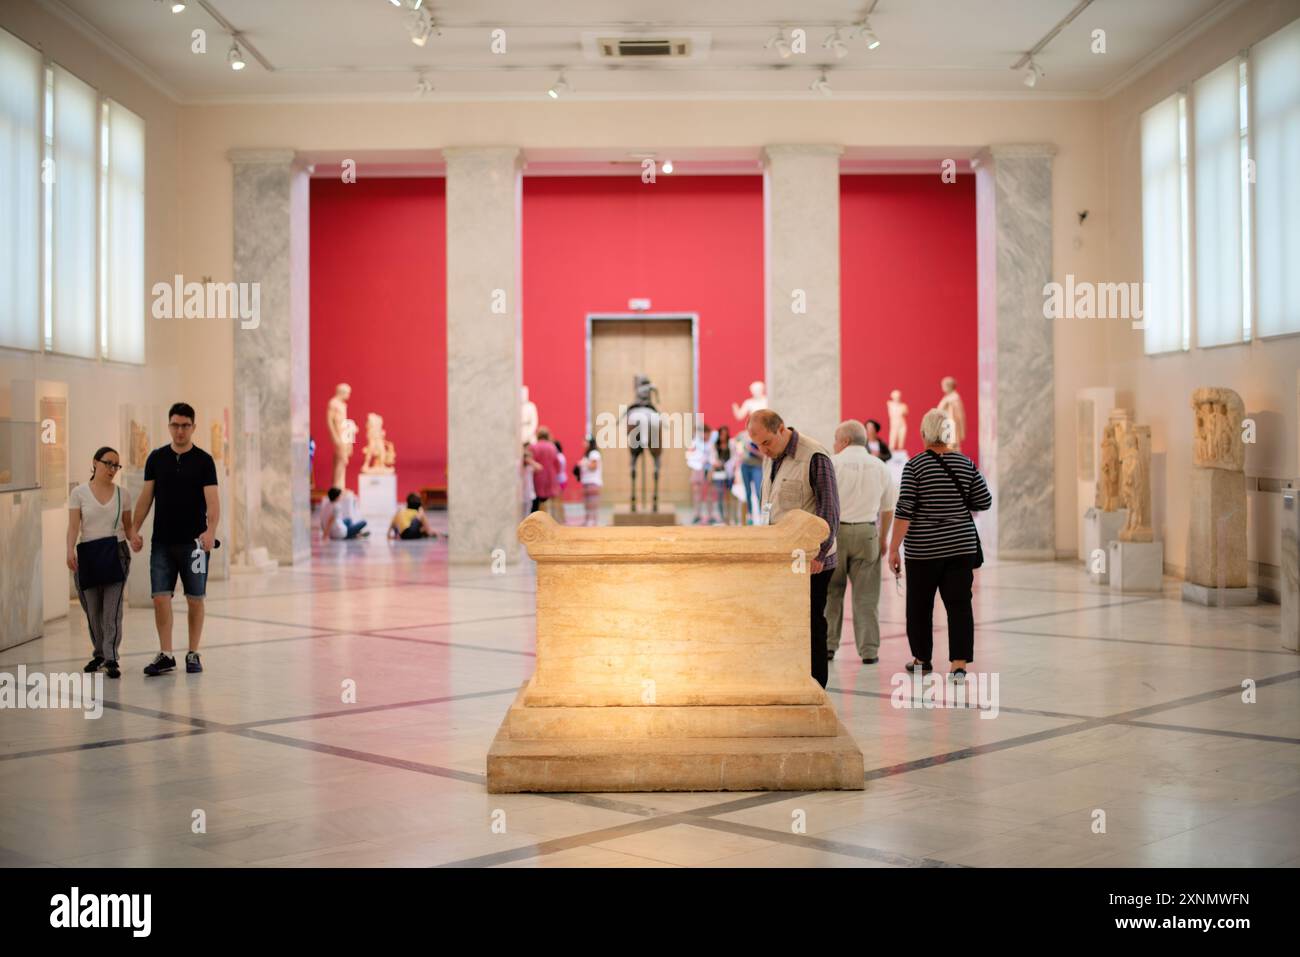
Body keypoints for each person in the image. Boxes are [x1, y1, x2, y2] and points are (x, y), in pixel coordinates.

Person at [887, 408, 992, 682]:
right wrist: (958, 504)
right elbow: (984, 501)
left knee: (920, 606)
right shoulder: (965, 463)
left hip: (924, 551)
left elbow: (905, 510)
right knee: (959, 605)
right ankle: (959, 665)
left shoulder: (915, 466)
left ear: (924, 433)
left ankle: (922, 660)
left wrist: (893, 547)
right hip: (960, 548)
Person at [749, 409, 839, 689]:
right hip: (782, 559)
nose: (763, 451)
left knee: (811, 625)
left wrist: (819, 553)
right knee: (785, 625)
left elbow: (830, 510)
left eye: (766, 443)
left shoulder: (814, 456)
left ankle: (816, 687)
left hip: (811, 561)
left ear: (780, 430)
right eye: (758, 445)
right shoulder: (771, 457)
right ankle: (791, 684)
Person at [130, 402, 219, 677]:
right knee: (160, 597)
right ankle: (166, 654)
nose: (179, 431)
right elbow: (146, 498)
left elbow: (213, 502)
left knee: (195, 597)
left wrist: (210, 531)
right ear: (169, 426)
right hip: (162, 544)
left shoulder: (204, 461)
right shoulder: (156, 458)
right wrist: (134, 528)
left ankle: (193, 652)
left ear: (193, 427)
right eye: (175, 425)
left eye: (185, 425)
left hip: (194, 545)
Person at [825, 420, 897, 665]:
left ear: (844, 441)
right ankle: (869, 651)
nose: (834, 444)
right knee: (866, 597)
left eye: (836, 439)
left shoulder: (833, 464)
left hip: (836, 536)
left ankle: (828, 645)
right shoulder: (879, 466)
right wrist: (883, 539)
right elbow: (888, 509)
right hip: (868, 534)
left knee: (832, 593)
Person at [67, 447, 137, 679]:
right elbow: (74, 526)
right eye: (108, 463)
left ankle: (111, 657)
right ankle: (99, 653)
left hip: (115, 553)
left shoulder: (122, 494)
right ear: (95, 462)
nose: (112, 469)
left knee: (112, 609)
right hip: (88, 554)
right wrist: (69, 550)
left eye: (116, 465)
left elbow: (128, 527)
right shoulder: (79, 493)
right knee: (92, 608)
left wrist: (135, 538)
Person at [685, 423, 716, 524]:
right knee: (697, 493)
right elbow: (689, 455)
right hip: (697, 469)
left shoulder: (711, 444)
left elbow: (713, 458)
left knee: (709, 494)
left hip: (708, 470)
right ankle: (697, 515)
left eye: (707, 433)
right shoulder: (695, 443)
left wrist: (711, 467)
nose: (705, 435)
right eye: (703, 433)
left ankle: (710, 515)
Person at [530, 427, 560, 514]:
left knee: (537, 502)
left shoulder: (534, 447)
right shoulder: (552, 447)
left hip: (538, 478)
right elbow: (557, 464)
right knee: (549, 503)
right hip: (551, 477)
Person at [737, 429, 763, 523]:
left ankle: (761, 515)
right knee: (747, 492)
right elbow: (737, 446)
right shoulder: (742, 435)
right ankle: (750, 515)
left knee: (758, 491)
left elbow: (764, 455)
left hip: (757, 466)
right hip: (745, 466)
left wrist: (752, 450)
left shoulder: (761, 437)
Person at [578, 435, 602, 526]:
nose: (583, 443)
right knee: (587, 504)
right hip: (587, 482)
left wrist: (583, 464)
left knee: (593, 504)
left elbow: (593, 466)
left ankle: (593, 522)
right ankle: (588, 520)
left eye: (585, 441)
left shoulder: (594, 453)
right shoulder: (587, 455)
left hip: (593, 482)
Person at [712, 426, 733, 524]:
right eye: (721, 434)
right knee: (719, 495)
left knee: (728, 496)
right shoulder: (715, 446)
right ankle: (721, 516)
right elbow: (712, 458)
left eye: (725, 434)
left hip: (728, 474)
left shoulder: (731, 445)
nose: (723, 436)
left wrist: (727, 464)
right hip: (718, 474)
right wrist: (717, 463)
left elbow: (734, 458)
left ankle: (729, 516)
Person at [549, 439, 568, 524]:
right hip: (562, 479)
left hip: (559, 480)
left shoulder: (558, 457)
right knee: (559, 501)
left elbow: (557, 469)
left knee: (557, 501)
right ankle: (561, 518)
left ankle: (559, 519)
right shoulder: (561, 456)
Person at [521, 443, 541, 521]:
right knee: (522, 512)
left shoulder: (529, 467)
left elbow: (539, 467)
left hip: (529, 492)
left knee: (527, 512)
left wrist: (530, 461)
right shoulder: (521, 467)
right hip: (522, 493)